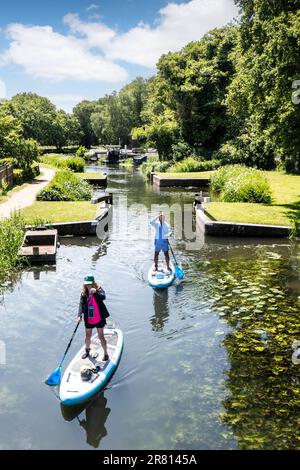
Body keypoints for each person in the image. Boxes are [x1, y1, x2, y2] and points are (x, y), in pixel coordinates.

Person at [78, 275, 110, 361]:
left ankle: (106, 354)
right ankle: (87, 351)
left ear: (93, 283)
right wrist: (79, 315)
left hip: (100, 318)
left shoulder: (99, 290)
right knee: (87, 335)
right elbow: (81, 304)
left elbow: (103, 297)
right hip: (89, 318)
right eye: (86, 284)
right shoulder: (84, 293)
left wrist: (95, 292)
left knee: (101, 336)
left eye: (89, 284)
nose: (88, 286)